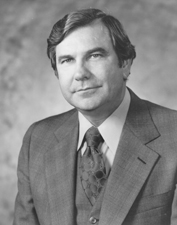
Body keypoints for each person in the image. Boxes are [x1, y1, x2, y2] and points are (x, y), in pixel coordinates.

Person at [13, 8, 177, 225]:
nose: (80, 73)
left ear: (125, 63)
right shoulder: (37, 139)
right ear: (57, 73)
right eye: (67, 60)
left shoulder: (173, 133)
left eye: (95, 55)